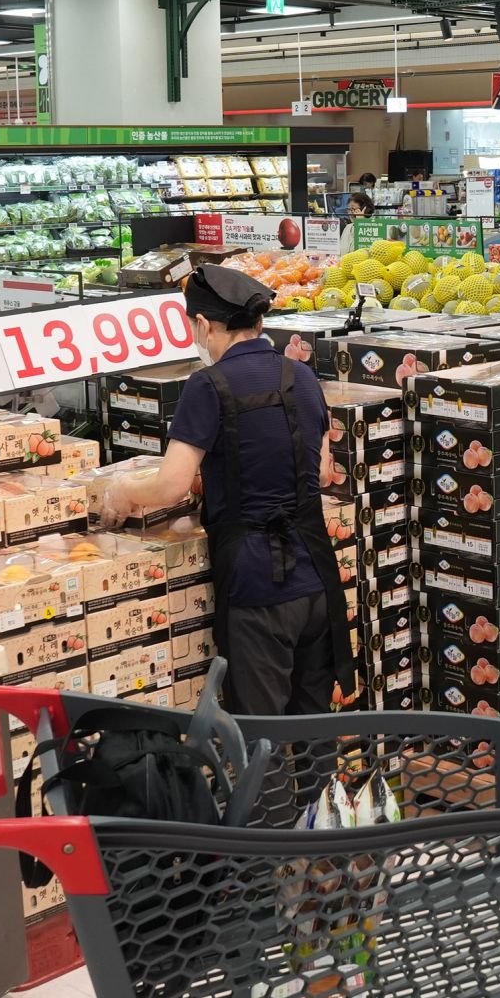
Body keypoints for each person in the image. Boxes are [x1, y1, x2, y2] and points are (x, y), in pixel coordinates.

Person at [99, 264, 356, 716]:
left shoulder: (209, 386)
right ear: (258, 323)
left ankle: (272, 792)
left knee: (262, 740)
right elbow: (317, 471)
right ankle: (318, 790)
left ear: (203, 324)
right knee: (314, 732)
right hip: (317, 578)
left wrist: (124, 490)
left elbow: (171, 484)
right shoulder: (303, 377)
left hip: (257, 587)